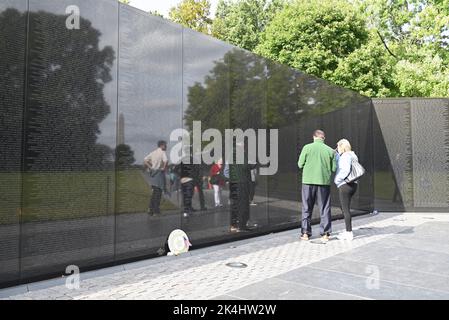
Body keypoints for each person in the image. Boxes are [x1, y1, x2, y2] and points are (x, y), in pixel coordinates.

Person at [298, 130, 336, 242]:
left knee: (306, 207)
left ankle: (305, 233)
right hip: (323, 183)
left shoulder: (307, 147)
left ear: (314, 137)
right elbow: (334, 168)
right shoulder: (330, 150)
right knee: (324, 208)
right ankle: (325, 234)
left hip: (308, 182)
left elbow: (300, 164)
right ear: (324, 138)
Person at [334, 139, 359, 241]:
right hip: (354, 185)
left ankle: (349, 233)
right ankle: (348, 230)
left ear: (342, 147)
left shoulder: (345, 156)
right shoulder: (353, 155)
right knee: (344, 208)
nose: (337, 148)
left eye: (338, 147)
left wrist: (337, 180)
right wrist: (336, 155)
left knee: (345, 209)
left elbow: (344, 170)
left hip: (345, 185)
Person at [144, 140, 168, 216]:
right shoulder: (162, 152)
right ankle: (156, 211)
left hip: (153, 173)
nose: (166, 146)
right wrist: (164, 168)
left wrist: (150, 167)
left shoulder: (153, 152)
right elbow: (166, 160)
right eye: (165, 145)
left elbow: (145, 160)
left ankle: (150, 209)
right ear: (162, 145)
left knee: (154, 193)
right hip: (159, 173)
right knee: (158, 193)